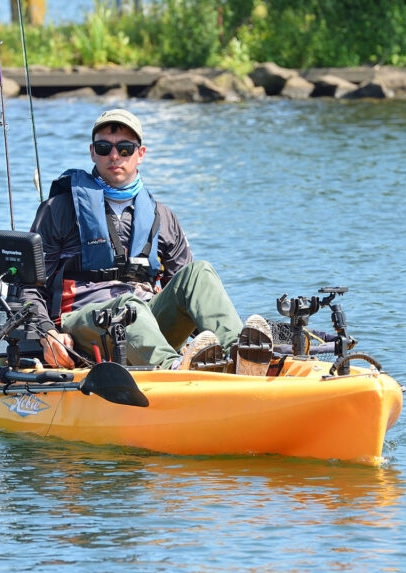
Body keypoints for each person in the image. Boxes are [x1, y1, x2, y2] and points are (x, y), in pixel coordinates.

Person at [19, 108, 272, 374]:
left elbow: (189, 297)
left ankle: (242, 356)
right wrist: (46, 333)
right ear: (92, 152)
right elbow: (26, 288)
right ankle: (173, 368)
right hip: (84, 327)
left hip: (146, 323)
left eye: (125, 149)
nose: (114, 156)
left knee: (200, 274)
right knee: (128, 308)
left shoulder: (161, 216)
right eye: (104, 147)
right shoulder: (59, 209)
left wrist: (208, 338)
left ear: (140, 154)